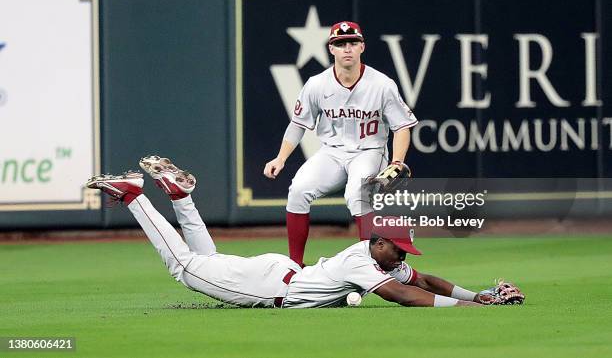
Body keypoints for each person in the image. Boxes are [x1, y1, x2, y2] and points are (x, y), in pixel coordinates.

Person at [87, 156, 493, 309]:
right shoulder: (361, 258)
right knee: (187, 268)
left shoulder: (379, 258)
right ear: (379, 241)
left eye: (404, 253)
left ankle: (180, 198)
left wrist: (476, 295)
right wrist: (471, 311)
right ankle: (134, 197)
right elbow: (403, 295)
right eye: (399, 251)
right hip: (271, 286)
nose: (402, 258)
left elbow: (421, 281)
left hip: (281, 273)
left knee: (205, 262)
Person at [264, 21, 418, 266]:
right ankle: (295, 266)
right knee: (298, 191)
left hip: (369, 150)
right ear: (331, 49)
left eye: (352, 43)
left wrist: (398, 161)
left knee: (357, 194)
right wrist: (280, 158)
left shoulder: (382, 84)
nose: (347, 48)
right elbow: (298, 124)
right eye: (340, 44)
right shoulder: (317, 84)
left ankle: (371, 267)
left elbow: (402, 126)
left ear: (362, 47)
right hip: (332, 152)